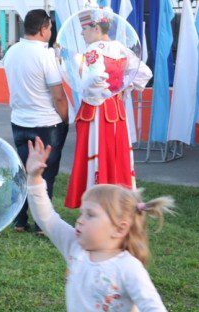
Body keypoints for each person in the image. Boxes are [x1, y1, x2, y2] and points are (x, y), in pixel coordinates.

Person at [26, 137, 175, 312]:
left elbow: (154, 309)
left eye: (90, 215)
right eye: (81, 213)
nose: (79, 220)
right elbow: (47, 218)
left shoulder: (128, 268)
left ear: (119, 229)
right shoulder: (75, 247)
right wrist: (35, 178)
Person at [65, 8, 153, 208]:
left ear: (95, 28)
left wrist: (98, 91)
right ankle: (117, 202)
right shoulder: (120, 48)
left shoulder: (93, 50)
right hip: (116, 111)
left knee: (97, 153)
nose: (82, 33)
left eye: (84, 29)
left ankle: (96, 204)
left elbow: (94, 79)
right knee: (116, 155)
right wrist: (121, 88)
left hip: (96, 112)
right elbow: (144, 72)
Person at [3, 9, 69, 234]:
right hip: (45, 122)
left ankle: (20, 221)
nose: (51, 32)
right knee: (46, 174)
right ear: (43, 29)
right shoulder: (45, 55)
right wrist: (65, 118)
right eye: (50, 28)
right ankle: (42, 224)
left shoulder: (11, 51)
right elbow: (58, 95)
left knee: (22, 172)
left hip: (19, 121)